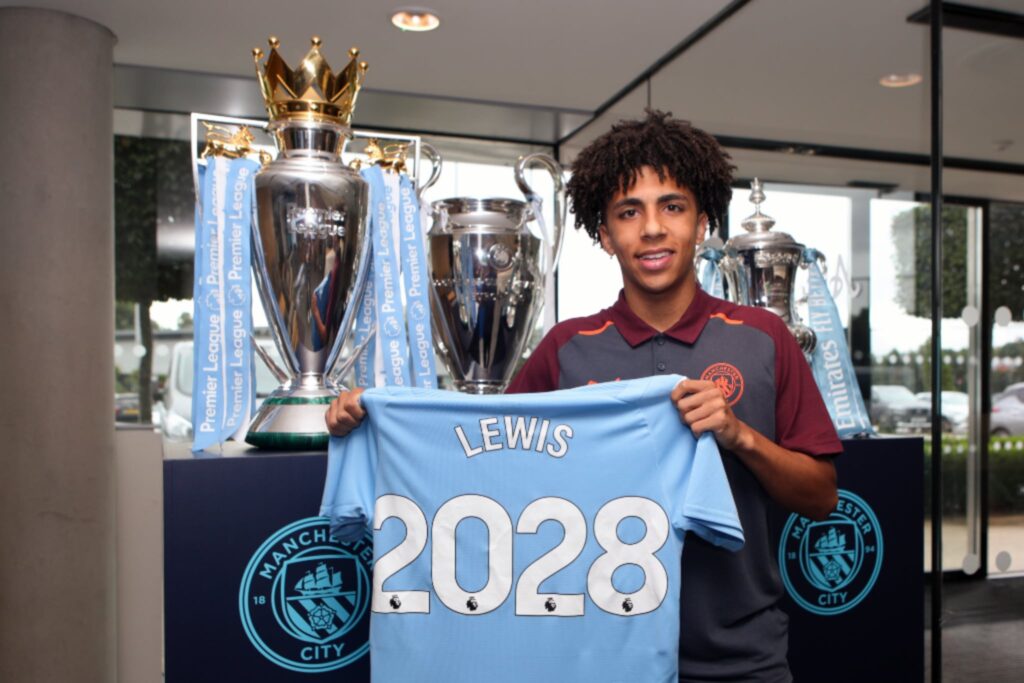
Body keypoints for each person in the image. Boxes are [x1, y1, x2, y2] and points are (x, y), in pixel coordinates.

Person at [326, 109, 842, 682]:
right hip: (592, 659)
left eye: (672, 206)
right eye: (628, 212)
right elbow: (484, 469)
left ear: (702, 225)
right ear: (603, 234)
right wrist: (373, 420)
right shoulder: (566, 349)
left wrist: (739, 435)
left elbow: (820, 497)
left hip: (740, 659)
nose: (651, 228)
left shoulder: (764, 339)